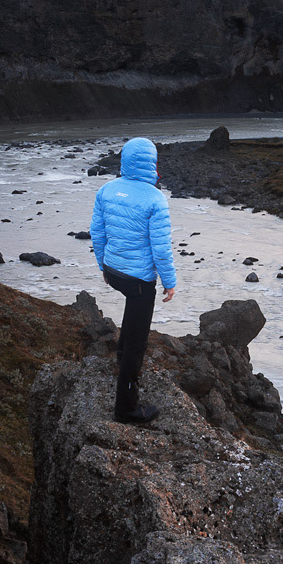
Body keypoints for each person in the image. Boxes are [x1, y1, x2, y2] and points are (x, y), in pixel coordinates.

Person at [88, 135, 175, 423]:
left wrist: (103, 265)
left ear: (124, 159)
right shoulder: (155, 198)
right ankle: (126, 408)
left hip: (113, 272)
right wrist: (169, 281)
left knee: (131, 316)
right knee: (138, 343)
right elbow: (161, 248)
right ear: (152, 163)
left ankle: (120, 355)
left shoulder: (106, 189)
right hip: (139, 282)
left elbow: (97, 233)